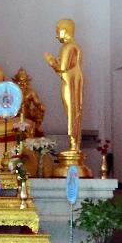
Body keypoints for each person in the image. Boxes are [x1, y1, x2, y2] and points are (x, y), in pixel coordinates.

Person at [44, 18, 84, 151]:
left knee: (72, 112)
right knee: (73, 111)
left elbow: (61, 68)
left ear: (64, 30)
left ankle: (74, 144)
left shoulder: (68, 47)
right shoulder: (75, 46)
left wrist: (50, 61)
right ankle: (74, 144)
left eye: (57, 30)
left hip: (69, 84)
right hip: (72, 81)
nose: (56, 35)